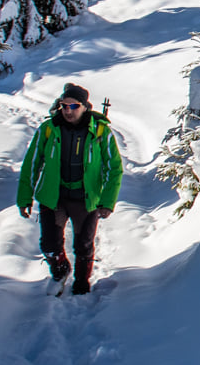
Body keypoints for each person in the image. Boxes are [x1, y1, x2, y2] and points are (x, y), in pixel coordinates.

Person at [17, 83, 123, 295]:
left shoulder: (100, 130)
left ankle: (82, 282)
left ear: (84, 106)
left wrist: (107, 201)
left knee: (83, 245)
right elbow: (32, 164)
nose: (67, 110)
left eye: (73, 106)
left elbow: (114, 168)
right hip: (54, 196)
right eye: (63, 106)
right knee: (49, 244)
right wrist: (25, 197)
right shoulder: (48, 129)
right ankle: (60, 270)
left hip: (86, 198)